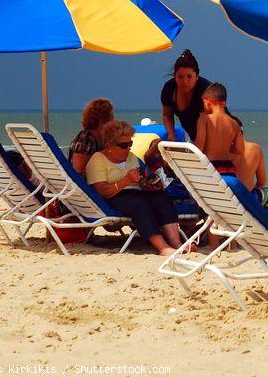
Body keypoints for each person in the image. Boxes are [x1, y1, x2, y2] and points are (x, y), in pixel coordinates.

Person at [85, 120, 185, 256]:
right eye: (123, 145)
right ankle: (162, 247)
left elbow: (139, 181)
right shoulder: (97, 160)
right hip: (113, 197)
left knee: (161, 197)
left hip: (134, 193)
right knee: (139, 204)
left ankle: (176, 243)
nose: (128, 148)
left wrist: (149, 184)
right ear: (108, 144)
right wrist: (125, 181)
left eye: (130, 144)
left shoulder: (131, 157)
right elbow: (102, 191)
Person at [195, 82, 268, 217]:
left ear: (208, 102)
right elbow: (240, 150)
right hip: (237, 189)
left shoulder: (204, 119)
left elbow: (199, 147)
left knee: (213, 204)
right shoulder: (236, 127)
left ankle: (212, 239)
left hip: (214, 182)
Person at [161, 49, 211, 143]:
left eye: (189, 76)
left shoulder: (206, 90)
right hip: (195, 138)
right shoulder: (169, 89)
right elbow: (167, 115)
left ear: (197, 76)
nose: (184, 81)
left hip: (217, 136)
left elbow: (215, 120)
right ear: (174, 76)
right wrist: (171, 134)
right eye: (180, 77)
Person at [68, 99, 115, 175]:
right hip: (86, 185)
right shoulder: (85, 139)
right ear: (103, 120)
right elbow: (79, 170)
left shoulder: (99, 138)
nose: (113, 123)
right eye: (112, 119)